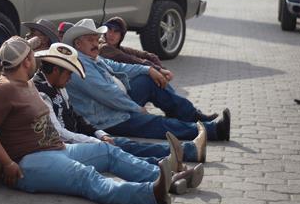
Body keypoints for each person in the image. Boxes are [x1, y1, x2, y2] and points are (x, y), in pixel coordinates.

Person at [0, 37, 175, 204]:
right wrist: (7, 163)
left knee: (107, 151)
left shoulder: (27, 82)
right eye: (32, 56)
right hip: (29, 162)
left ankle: (167, 179)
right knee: (86, 177)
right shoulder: (3, 89)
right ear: (26, 61)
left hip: (56, 150)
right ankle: (150, 194)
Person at [34, 42, 208, 169]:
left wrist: (100, 134)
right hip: (67, 145)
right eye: (68, 73)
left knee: (126, 146)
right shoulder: (41, 92)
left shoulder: (59, 85)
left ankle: (185, 153)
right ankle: (169, 166)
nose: (71, 79)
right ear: (56, 70)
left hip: (81, 137)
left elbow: (76, 117)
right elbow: (59, 132)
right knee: (119, 152)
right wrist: (95, 140)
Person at [64, 19, 231, 142]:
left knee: (148, 80)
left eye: (96, 39)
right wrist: (136, 108)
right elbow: (108, 94)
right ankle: (213, 131)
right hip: (107, 119)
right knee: (157, 124)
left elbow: (120, 66)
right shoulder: (80, 66)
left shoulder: (92, 57)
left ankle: (192, 116)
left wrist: (149, 69)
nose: (95, 43)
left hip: (114, 106)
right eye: (90, 40)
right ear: (78, 44)